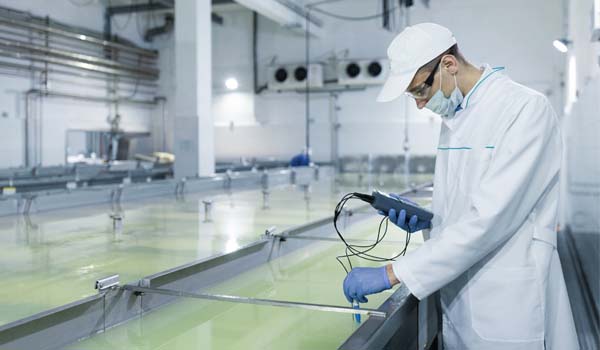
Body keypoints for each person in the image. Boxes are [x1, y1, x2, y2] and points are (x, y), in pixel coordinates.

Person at [342, 23, 579, 350]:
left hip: (508, 302)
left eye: (420, 90)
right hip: (462, 298)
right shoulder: (457, 119)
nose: (420, 105)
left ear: (449, 65)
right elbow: (469, 207)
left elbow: (489, 219)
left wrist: (392, 273)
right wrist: (432, 220)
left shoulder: (524, 110)